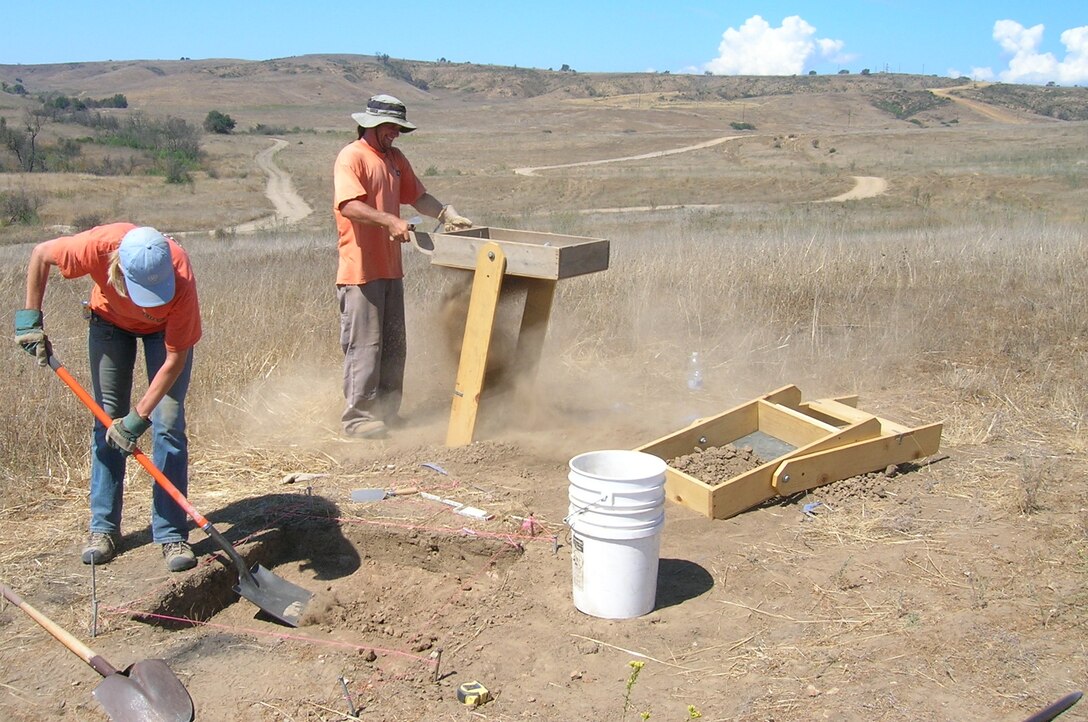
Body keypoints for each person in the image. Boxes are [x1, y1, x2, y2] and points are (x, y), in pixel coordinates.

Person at [14, 223, 202, 572]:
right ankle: (103, 529)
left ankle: (171, 533)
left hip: (163, 336)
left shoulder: (182, 279)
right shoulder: (97, 247)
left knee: (168, 425)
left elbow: (174, 359)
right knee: (107, 421)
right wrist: (29, 320)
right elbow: (41, 254)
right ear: (117, 265)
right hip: (109, 325)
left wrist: (139, 417)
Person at [333, 94, 472, 438]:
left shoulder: (394, 158)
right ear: (370, 124)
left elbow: (417, 196)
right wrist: (389, 221)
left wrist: (445, 213)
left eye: (399, 128)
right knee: (365, 346)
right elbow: (348, 205)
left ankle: (387, 414)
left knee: (394, 345)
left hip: (391, 268)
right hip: (360, 270)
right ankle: (358, 419)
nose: (396, 133)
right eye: (391, 127)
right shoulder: (352, 157)